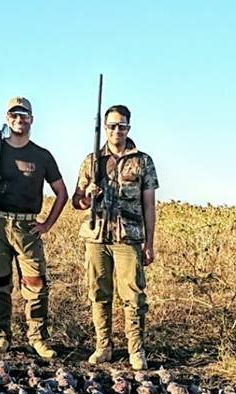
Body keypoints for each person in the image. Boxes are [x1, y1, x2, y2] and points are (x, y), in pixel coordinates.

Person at [0, 97, 69, 359]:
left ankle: (37, 337)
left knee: (36, 284)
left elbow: (61, 192)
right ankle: (1, 335)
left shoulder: (42, 156)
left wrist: (47, 224)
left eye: (23, 115)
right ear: (7, 118)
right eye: (14, 115)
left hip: (27, 228)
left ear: (31, 119)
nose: (19, 120)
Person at [72, 104, 158, 370]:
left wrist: (149, 243)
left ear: (128, 128)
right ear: (105, 128)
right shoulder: (91, 161)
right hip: (97, 237)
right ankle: (103, 346)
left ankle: (135, 350)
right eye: (111, 126)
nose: (116, 130)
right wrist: (88, 195)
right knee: (99, 292)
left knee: (133, 295)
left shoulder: (143, 161)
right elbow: (77, 201)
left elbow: (149, 205)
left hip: (128, 238)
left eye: (121, 125)